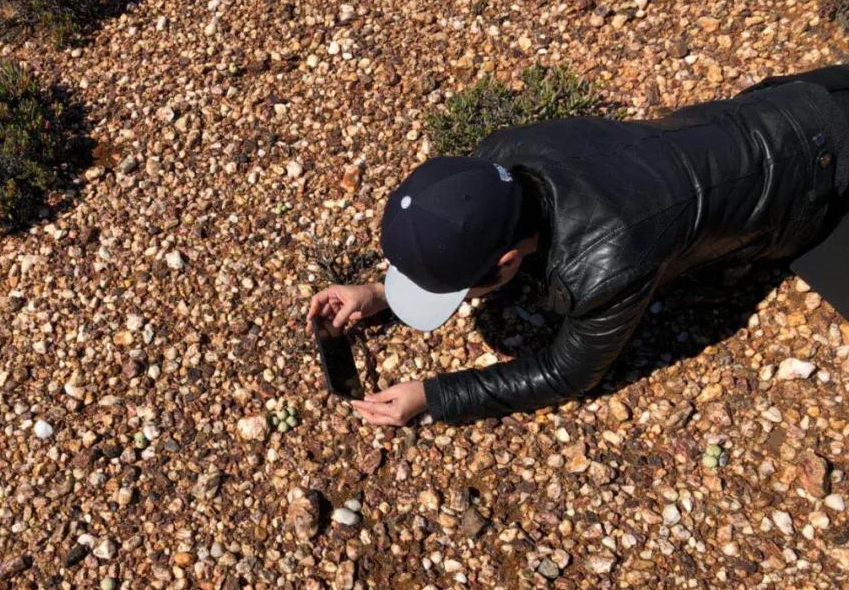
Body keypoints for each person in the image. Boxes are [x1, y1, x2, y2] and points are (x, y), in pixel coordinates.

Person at [306, 64, 849, 426]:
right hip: (781, 103)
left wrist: (435, 395)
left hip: (820, 182)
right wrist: (380, 292)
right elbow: (454, 228)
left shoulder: (608, 262)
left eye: (461, 289)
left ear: (509, 262)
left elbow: (568, 373)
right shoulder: (504, 152)